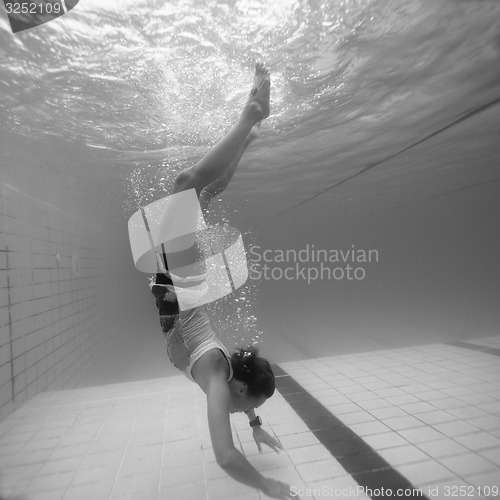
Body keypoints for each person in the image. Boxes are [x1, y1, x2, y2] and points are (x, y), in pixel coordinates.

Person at [150, 63, 293, 499]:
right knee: (186, 184)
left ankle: (248, 138)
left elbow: (240, 398)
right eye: (253, 405)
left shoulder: (228, 376)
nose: (248, 411)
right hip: (179, 285)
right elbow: (226, 458)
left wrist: (255, 425)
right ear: (242, 388)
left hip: (179, 287)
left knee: (203, 193)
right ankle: (251, 114)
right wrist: (268, 486)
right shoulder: (216, 374)